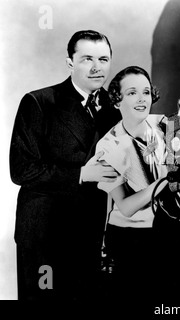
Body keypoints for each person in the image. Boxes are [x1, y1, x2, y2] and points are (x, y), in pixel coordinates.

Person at [9, 30, 121, 300]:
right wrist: (82, 174)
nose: (97, 68)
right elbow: (22, 169)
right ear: (70, 62)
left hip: (90, 234)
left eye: (103, 59)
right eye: (87, 59)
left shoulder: (115, 110)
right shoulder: (39, 102)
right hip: (44, 235)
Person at [96, 66, 180, 301]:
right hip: (131, 240)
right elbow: (125, 206)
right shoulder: (108, 146)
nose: (141, 99)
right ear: (117, 101)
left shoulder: (164, 125)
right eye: (132, 92)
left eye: (146, 92)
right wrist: (165, 181)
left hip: (169, 229)